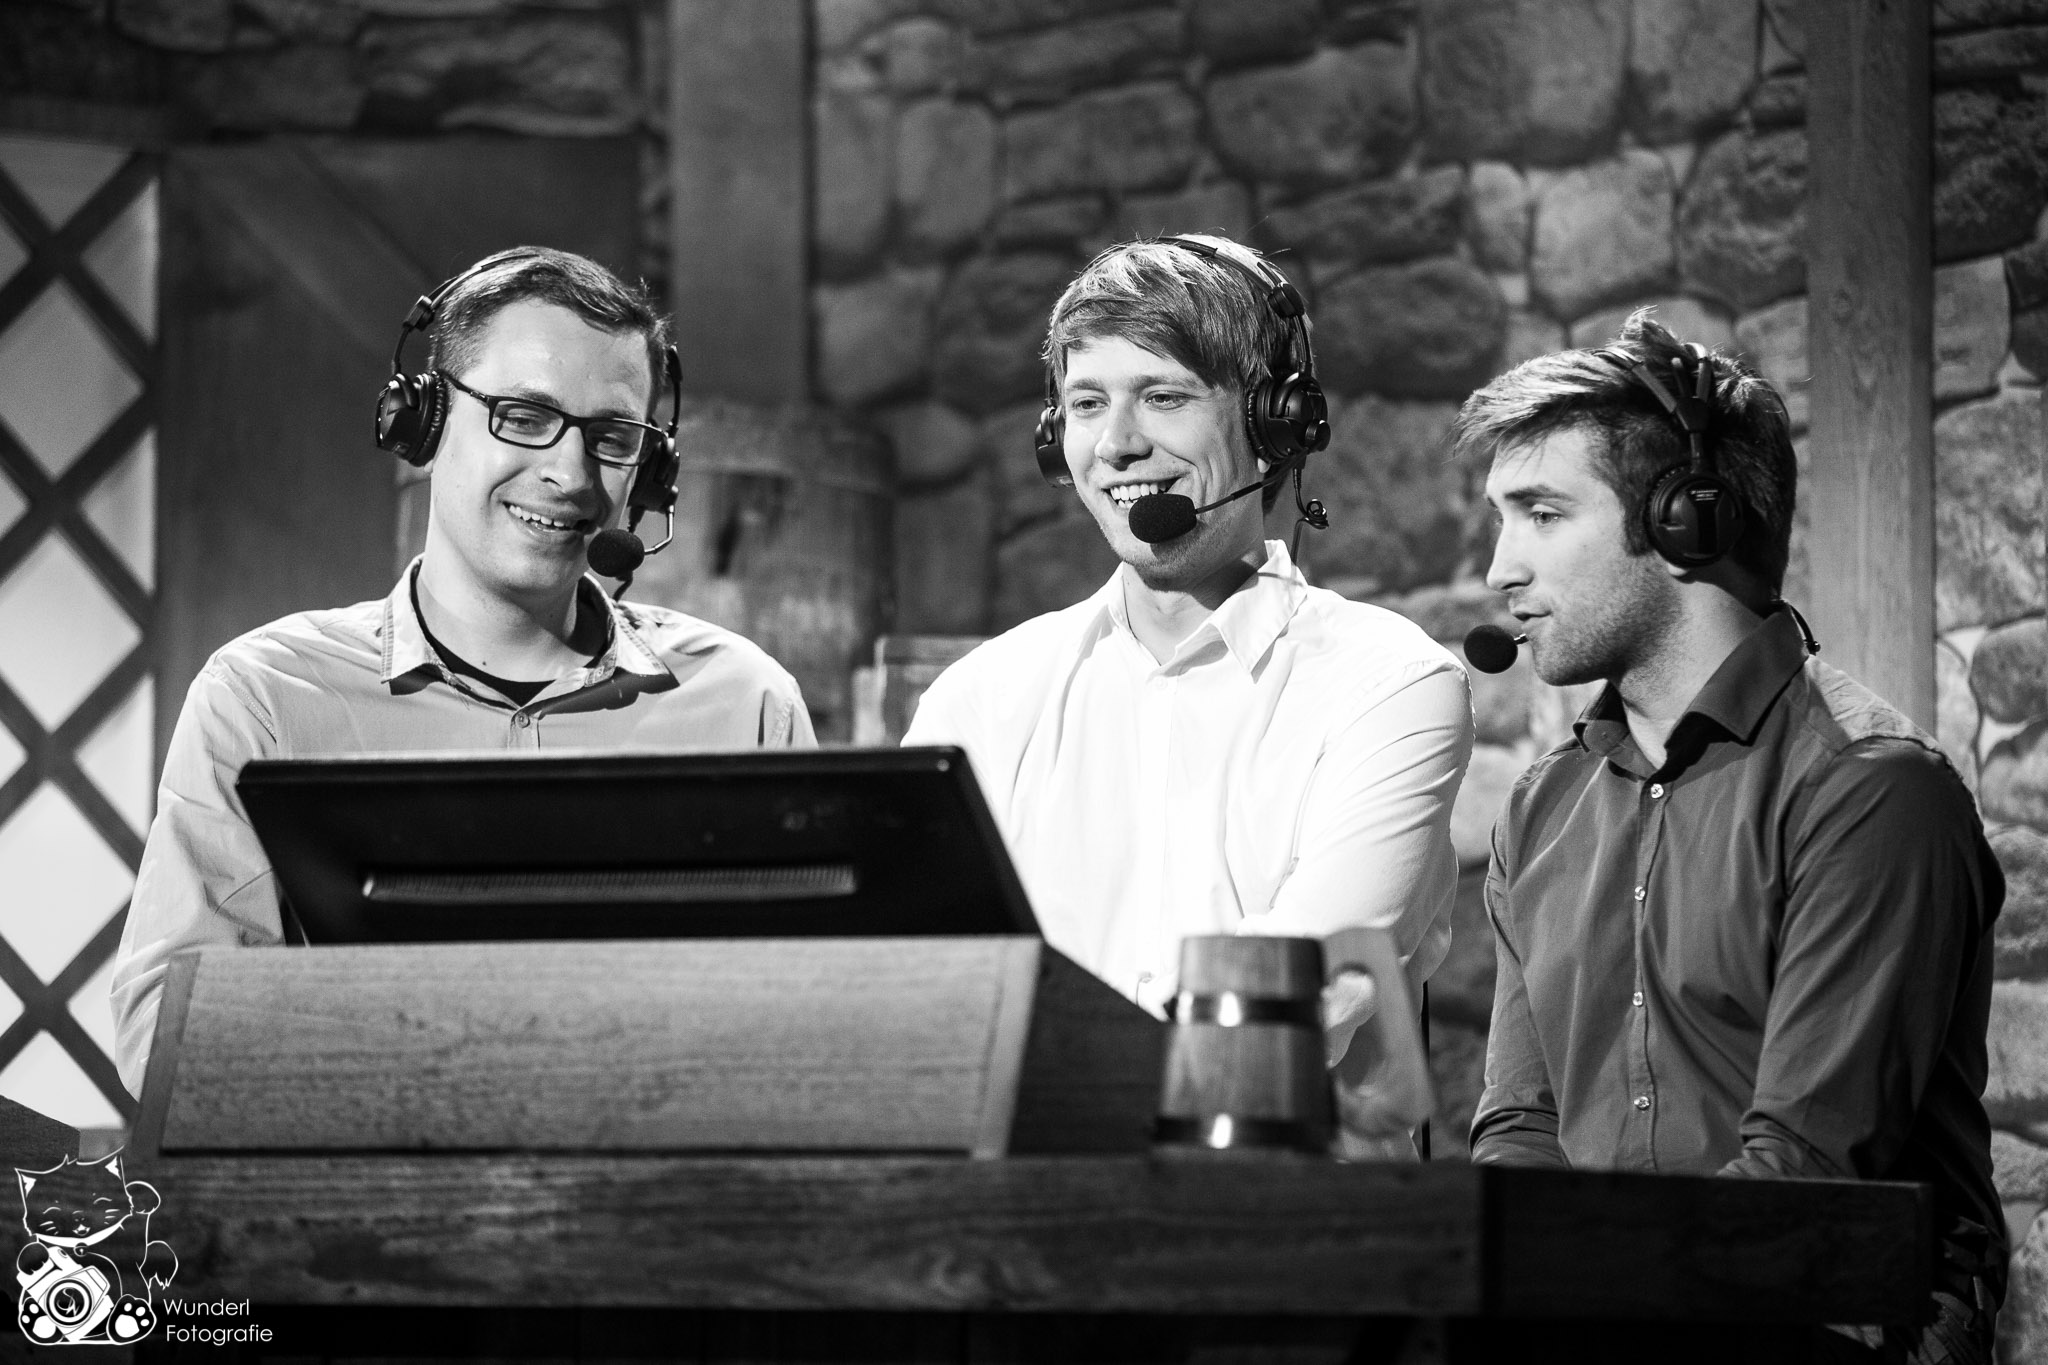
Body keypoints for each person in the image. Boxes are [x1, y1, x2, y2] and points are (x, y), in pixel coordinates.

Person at [111, 247, 813, 1094]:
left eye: (613, 437)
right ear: (425, 422)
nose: (570, 473)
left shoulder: (747, 704)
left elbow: (817, 1032)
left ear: (651, 469)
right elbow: (168, 1042)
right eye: (525, 415)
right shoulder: (264, 700)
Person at [1461, 311, 2004, 1360]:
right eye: (1501, 518)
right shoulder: (1540, 809)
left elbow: (1801, 1180)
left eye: (1541, 513)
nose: (1499, 569)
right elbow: (1520, 1130)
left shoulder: (1870, 792)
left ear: (1685, 523)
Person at [903, 235, 1473, 1131]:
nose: (1118, 444)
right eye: (1087, 404)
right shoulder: (979, 699)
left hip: (1285, 1203)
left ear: (1276, 424)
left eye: (1164, 397)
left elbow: (1290, 999)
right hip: (1034, 1197)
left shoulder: (1393, 684)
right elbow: (917, 992)